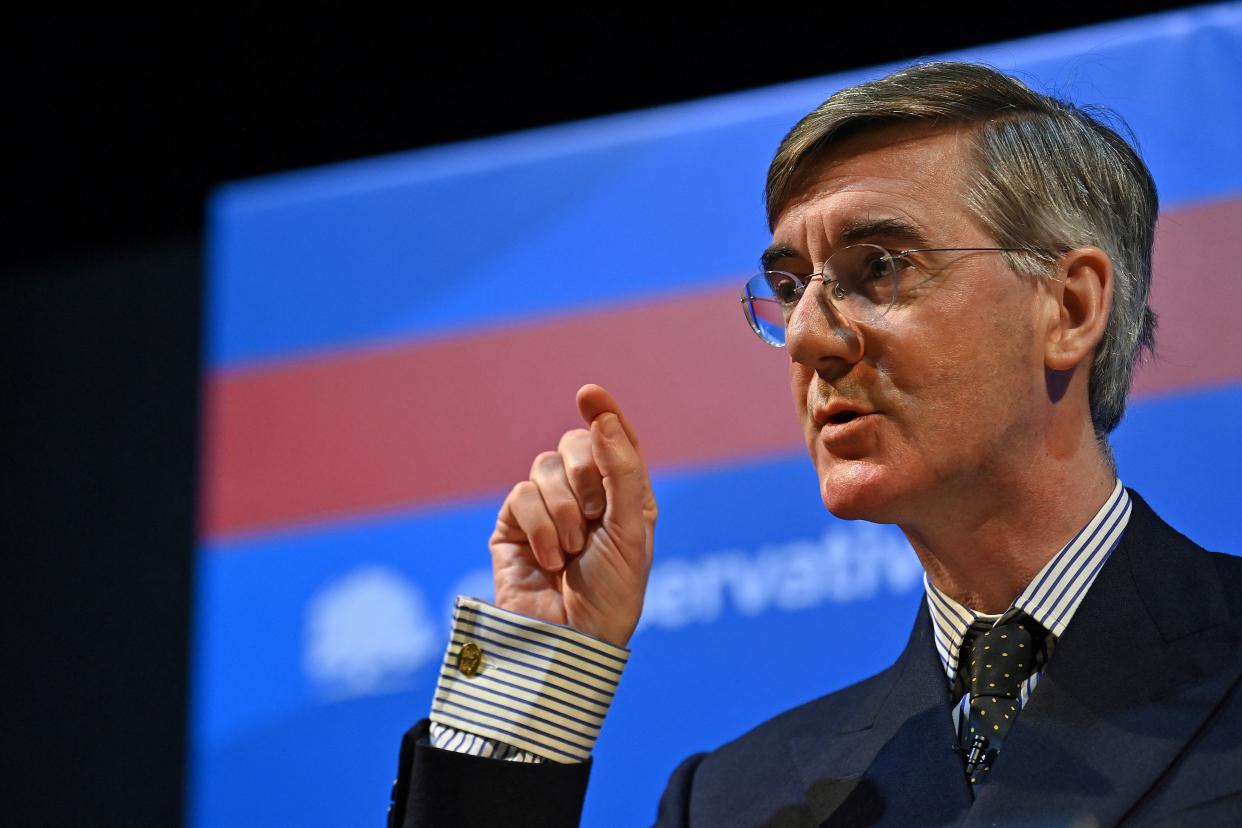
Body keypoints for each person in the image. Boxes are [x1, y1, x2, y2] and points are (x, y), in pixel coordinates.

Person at [388, 62, 1242, 827]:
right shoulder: (735, 802)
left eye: (881, 267)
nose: (806, 338)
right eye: (791, 287)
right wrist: (531, 680)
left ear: (1070, 308)